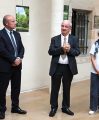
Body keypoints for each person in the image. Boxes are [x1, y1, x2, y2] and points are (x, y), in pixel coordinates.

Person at [48, 20, 80, 117]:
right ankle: (53, 107)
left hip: (68, 68)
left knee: (67, 88)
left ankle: (65, 107)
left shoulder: (74, 39)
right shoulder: (55, 39)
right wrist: (62, 49)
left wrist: (69, 50)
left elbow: (77, 52)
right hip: (57, 67)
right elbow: (50, 51)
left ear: (70, 28)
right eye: (62, 26)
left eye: (66, 26)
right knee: (55, 89)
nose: (64, 28)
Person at [0, 15, 27, 119]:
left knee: (16, 88)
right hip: (5, 67)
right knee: (2, 89)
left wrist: (19, 58)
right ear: (6, 23)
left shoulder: (17, 34)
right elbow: (2, 50)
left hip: (17, 66)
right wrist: (13, 59)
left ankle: (15, 107)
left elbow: (21, 48)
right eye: (13, 21)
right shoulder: (0, 34)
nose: (15, 22)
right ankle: (1, 110)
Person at [89, 32, 99, 115]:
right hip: (95, 72)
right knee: (94, 91)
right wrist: (97, 70)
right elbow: (92, 58)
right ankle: (93, 107)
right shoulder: (95, 45)